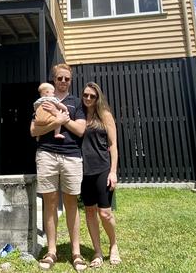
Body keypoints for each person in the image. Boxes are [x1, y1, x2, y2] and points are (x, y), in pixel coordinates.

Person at [30, 64, 87, 271]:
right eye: (60, 78)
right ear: (53, 80)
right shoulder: (42, 102)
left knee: (71, 202)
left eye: (67, 79)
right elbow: (33, 129)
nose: (63, 81)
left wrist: (65, 119)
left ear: (70, 80)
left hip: (71, 156)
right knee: (50, 202)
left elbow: (80, 130)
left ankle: (76, 253)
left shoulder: (76, 103)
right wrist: (57, 123)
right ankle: (51, 251)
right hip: (46, 153)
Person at [80, 82, 121, 267]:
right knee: (89, 211)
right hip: (83, 171)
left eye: (92, 96)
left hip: (102, 169)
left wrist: (113, 172)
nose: (88, 98)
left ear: (98, 98)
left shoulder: (105, 115)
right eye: (85, 95)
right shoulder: (79, 114)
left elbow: (113, 145)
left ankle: (113, 245)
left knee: (104, 213)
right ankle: (97, 251)